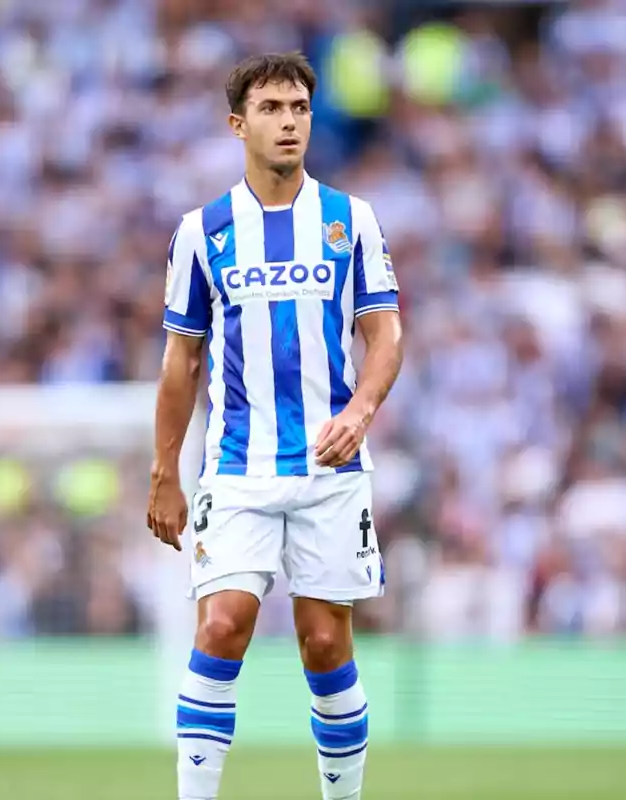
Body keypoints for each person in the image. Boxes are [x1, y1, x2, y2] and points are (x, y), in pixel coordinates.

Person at [146, 52, 404, 800]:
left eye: (298, 108)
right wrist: (165, 473)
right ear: (239, 124)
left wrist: (359, 412)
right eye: (271, 109)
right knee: (223, 623)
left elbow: (384, 334)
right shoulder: (203, 232)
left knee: (325, 643)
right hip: (238, 469)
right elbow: (179, 362)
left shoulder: (350, 221)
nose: (288, 122)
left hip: (330, 471)